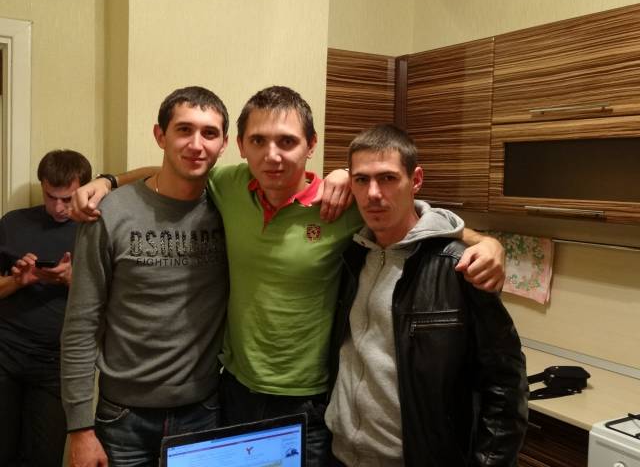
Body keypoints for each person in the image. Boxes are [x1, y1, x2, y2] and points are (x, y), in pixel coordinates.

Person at [69, 86, 506, 466]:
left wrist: (485, 241)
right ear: (240, 147)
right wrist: (107, 181)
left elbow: (406, 214)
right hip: (233, 392)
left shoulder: (343, 204)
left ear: (311, 145)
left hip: (309, 403)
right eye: (258, 140)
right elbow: (175, 169)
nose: (272, 155)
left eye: (287, 141)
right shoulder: (228, 187)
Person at [325, 124, 528, 466]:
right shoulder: (351, 255)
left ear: (415, 180)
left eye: (388, 178)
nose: (373, 193)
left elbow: (505, 384)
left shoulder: (457, 266)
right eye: (361, 180)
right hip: (339, 455)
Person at [61, 86, 230, 466]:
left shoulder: (231, 206)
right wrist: (79, 428)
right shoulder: (107, 213)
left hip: (203, 412)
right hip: (122, 418)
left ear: (224, 145)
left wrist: (342, 173)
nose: (196, 144)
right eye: (184, 130)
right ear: (160, 135)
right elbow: (81, 324)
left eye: (209, 133)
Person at [0, 150, 91, 467]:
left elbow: (116, 297)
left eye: (67, 199)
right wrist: (18, 280)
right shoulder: (13, 223)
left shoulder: (95, 228)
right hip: (5, 355)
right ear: (42, 185)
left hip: (58, 363)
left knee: (43, 457)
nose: (59, 207)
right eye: (51, 197)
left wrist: (71, 279)